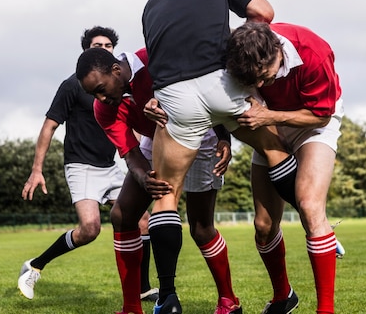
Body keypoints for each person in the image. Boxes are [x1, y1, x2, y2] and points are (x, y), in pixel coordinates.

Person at [141, 0, 301, 314]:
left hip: (174, 98)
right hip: (221, 83)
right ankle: (317, 224)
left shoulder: (152, 0)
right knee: (274, 150)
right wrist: (241, 46)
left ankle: (167, 298)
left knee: (165, 196)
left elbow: (157, 54)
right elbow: (264, 12)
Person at [76, 47, 242, 314]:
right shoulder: (103, 109)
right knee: (122, 215)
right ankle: (132, 307)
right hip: (155, 140)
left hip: (201, 135)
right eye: (93, 93)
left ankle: (228, 300)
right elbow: (130, 153)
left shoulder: (155, 57)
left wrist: (224, 136)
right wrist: (145, 178)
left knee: (201, 228)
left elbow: (205, 88)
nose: (100, 97)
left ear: (116, 71)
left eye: (101, 88)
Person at [18, 27, 157, 302]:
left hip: (110, 166)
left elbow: (130, 127)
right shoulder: (73, 85)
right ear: (86, 51)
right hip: (81, 166)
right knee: (90, 229)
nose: (103, 49)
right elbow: (49, 126)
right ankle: (35, 265)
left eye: (108, 45)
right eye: (97, 45)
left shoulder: (121, 83)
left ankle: (142, 288)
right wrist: (37, 170)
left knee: (143, 220)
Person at [225, 21, 343, 314]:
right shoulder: (237, 54)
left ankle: (325, 310)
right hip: (269, 122)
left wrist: (268, 116)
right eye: (256, 81)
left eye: (267, 76)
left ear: (278, 51)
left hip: (311, 122)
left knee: (309, 205)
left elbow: (321, 117)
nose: (263, 85)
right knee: (263, 227)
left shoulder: (314, 51)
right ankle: (283, 296)